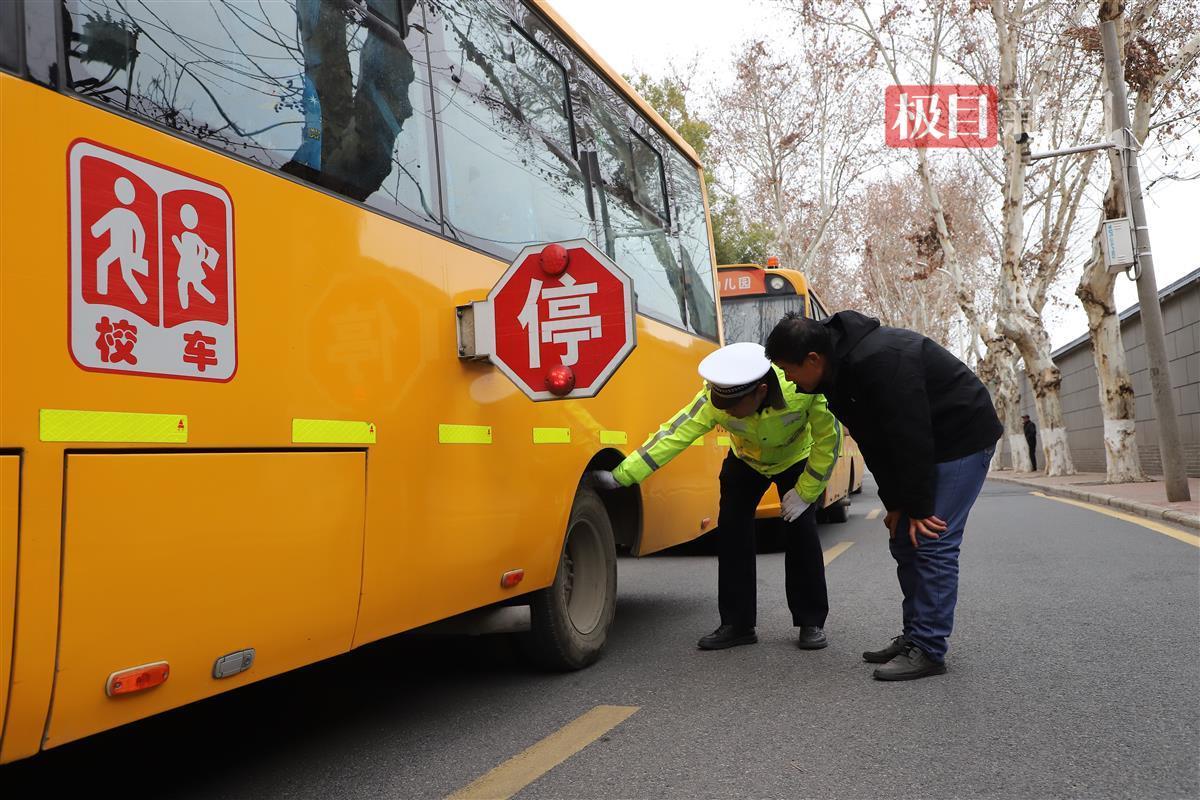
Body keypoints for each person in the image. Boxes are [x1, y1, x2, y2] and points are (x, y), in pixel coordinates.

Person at [765, 311, 1002, 681]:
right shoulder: (834, 375)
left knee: (932, 539)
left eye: (788, 371)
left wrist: (919, 507)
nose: (789, 382)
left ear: (812, 359)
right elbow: (874, 442)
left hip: (961, 437)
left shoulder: (881, 359)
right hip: (924, 443)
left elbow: (910, 435)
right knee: (903, 537)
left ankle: (929, 648)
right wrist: (896, 505)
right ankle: (915, 636)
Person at [592, 342, 842, 651]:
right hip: (746, 460)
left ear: (761, 391)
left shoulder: (801, 389)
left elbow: (828, 440)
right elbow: (673, 435)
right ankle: (737, 625)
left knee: (801, 533)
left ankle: (811, 622)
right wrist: (621, 476)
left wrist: (806, 492)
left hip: (795, 459)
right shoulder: (715, 399)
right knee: (733, 534)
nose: (725, 412)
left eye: (732, 407)